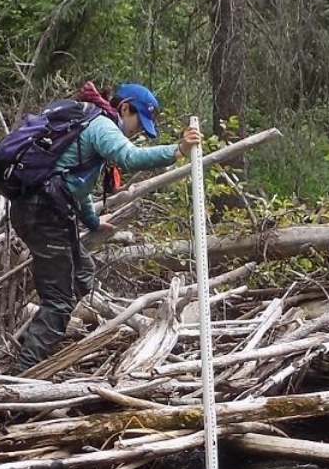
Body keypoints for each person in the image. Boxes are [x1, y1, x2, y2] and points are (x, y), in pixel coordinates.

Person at [10, 82, 203, 374]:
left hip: (46, 211)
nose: (139, 132)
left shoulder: (92, 126)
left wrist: (92, 221)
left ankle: (36, 337)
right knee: (60, 300)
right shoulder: (102, 126)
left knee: (84, 273)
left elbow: (77, 184)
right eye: (140, 123)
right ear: (125, 107)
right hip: (43, 213)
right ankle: (21, 374)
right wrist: (177, 150)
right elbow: (130, 157)